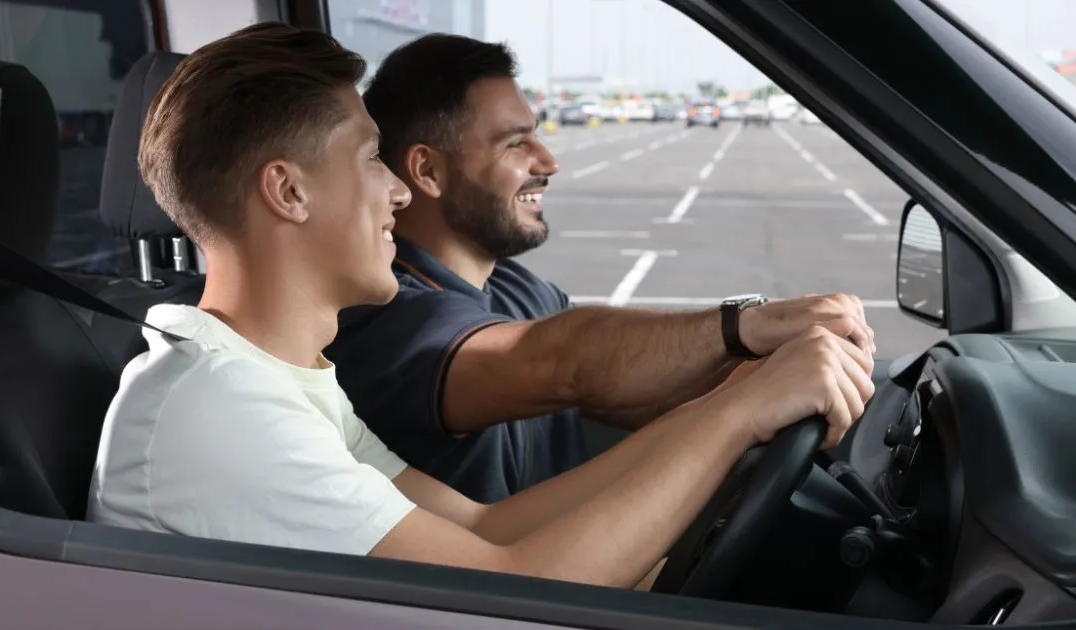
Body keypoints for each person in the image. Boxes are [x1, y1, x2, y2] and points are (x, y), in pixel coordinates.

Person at [88, 22, 874, 591]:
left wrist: (735, 399)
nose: (396, 189)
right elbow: (522, 585)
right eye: (370, 159)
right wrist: (737, 415)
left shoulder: (274, 383)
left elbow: (488, 528)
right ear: (288, 191)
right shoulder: (216, 410)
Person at [325, 34, 878, 503]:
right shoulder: (383, 318)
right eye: (516, 144)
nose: (548, 162)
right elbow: (563, 361)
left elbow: (619, 385)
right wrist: (744, 324)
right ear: (426, 170)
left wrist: (768, 375)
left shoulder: (515, 290)